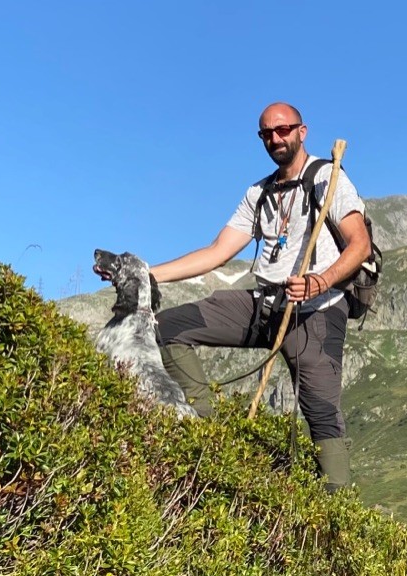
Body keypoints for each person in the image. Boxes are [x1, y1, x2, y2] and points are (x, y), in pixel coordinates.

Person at [150, 102, 371, 493]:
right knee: (168, 327)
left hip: (316, 311)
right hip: (266, 304)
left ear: (302, 132)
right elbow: (218, 251)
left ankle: (338, 514)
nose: (276, 138)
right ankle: (207, 427)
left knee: (321, 413)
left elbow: (360, 246)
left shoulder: (328, 177)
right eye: (267, 133)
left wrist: (320, 282)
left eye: (283, 130)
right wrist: (149, 274)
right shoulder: (259, 192)